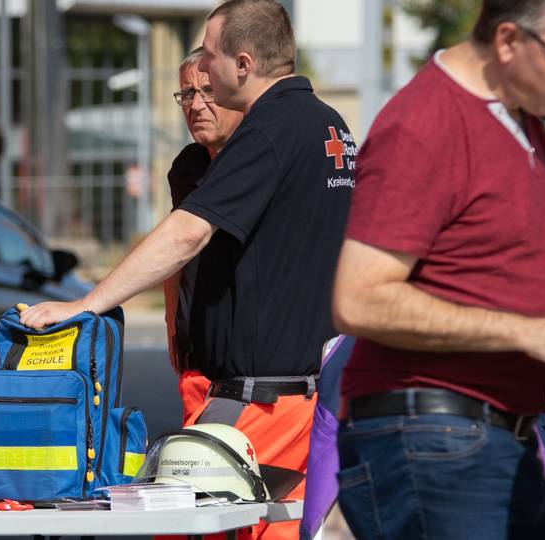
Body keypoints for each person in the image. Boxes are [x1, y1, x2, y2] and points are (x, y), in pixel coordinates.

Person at [21, 1, 355, 537]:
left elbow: (186, 234)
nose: (204, 74)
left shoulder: (270, 129)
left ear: (243, 65)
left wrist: (87, 302)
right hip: (306, 396)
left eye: (213, 58)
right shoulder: (328, 125)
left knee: (183, 528)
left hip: (260, 405)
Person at [331, 0, 545, 537]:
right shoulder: (426, 122)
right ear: (507, 41)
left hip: (489, 437)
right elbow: (358, 299)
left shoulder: (521, 121)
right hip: (432, 436)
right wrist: (523, 331)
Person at [163, 46, 245, 425]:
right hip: (198, 365)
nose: (196, 105)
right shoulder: (187, 167)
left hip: (252, 370)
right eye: (187, 93)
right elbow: (174, 248)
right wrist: (171, 325)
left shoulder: (257, 159)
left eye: (208, 91)